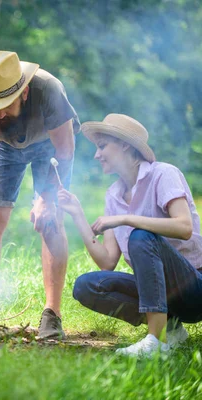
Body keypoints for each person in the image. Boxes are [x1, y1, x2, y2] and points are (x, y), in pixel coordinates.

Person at [0, 51, 80, 339]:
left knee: (50, 220)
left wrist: (46, 198)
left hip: (52, 147)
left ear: (24, 93)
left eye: (3, 106)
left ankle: (52, 313)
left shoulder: (49, 91)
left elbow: (65, 151)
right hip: (7, 146)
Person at [58, 113, 202, 357]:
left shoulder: (163, 174)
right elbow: (107, 261)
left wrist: (126, 219)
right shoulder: (113, 195)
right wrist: (78, 215)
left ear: (125, 145)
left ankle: (157, 342)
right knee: (87, 285)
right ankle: (170, 326)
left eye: (102, 146)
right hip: (160, 293)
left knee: (141, 236)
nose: (96, 155)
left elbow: (184, 227)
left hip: (194, 288)